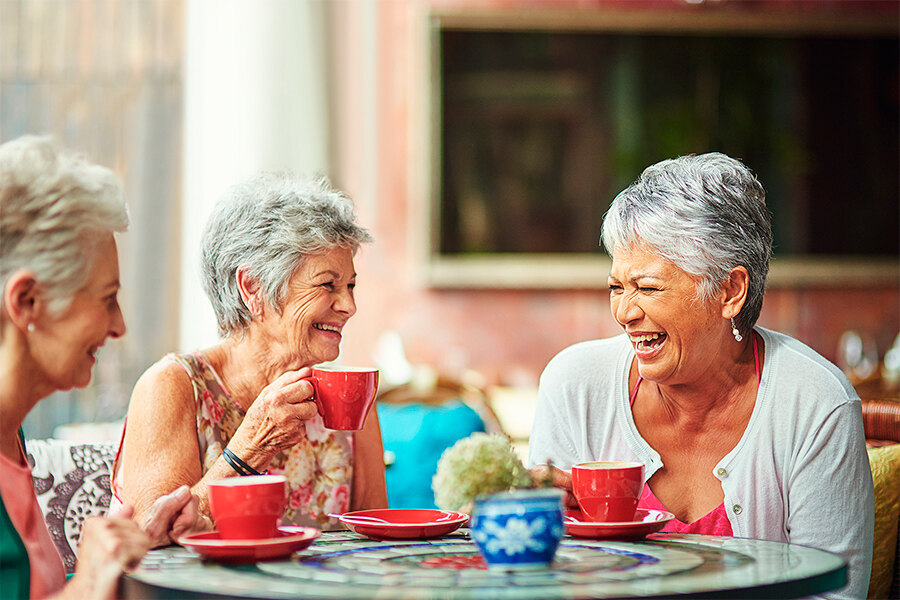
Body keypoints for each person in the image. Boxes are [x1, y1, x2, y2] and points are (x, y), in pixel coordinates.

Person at [528, 153, 873, 599]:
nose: (624, 313)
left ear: (730, 291)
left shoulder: (815, 404)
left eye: (648, 288)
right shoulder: (574, 385)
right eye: (617, 287)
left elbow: (833, 593)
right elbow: (541, 581)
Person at [112, 171, 387, 530]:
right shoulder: (172, 386)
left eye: (350, 285)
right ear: (253, 287)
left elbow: (378, 539)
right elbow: (149, 536)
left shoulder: (348, 396)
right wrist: (250, 448)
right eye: (328, 284)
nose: (349, 305)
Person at [0, 135, 201, 599]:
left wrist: (131, 545)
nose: (120, 326)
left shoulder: (12, 439)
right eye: (107, 299)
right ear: (26, 301)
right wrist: (86, 585)